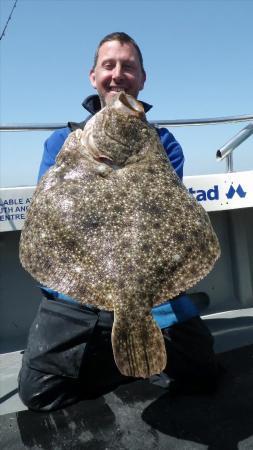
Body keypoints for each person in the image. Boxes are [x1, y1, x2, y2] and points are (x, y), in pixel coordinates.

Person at [18, 32, 222, 412]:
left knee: (202, 374)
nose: (118, 74)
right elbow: (51, 214)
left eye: (128, 67)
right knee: (39, 393)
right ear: (93, 76)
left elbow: (165, 212)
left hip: (148, 285)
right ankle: (121, 361)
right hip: (78, 291)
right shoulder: (62, 141)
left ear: (142, 78)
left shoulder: (163, 142)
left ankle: (116, 351)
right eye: (108, 66)